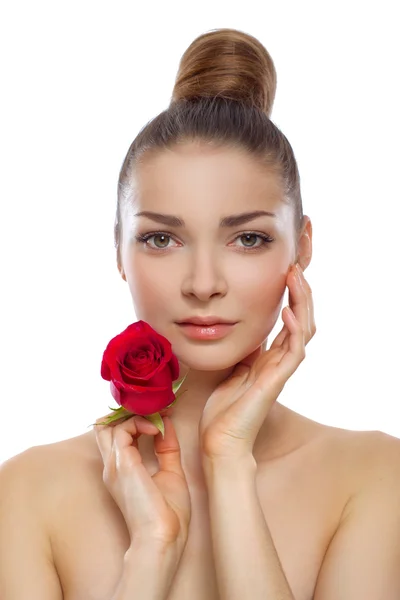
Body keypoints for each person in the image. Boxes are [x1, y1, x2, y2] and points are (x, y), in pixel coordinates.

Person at [1, 27, 399, 600]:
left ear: (303, 247)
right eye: (162, 239)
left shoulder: (375, 476)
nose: (204, 284)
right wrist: (151, 554)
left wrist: (230, 461)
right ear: (119, 252)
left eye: (249, 239)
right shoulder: (27, 492)